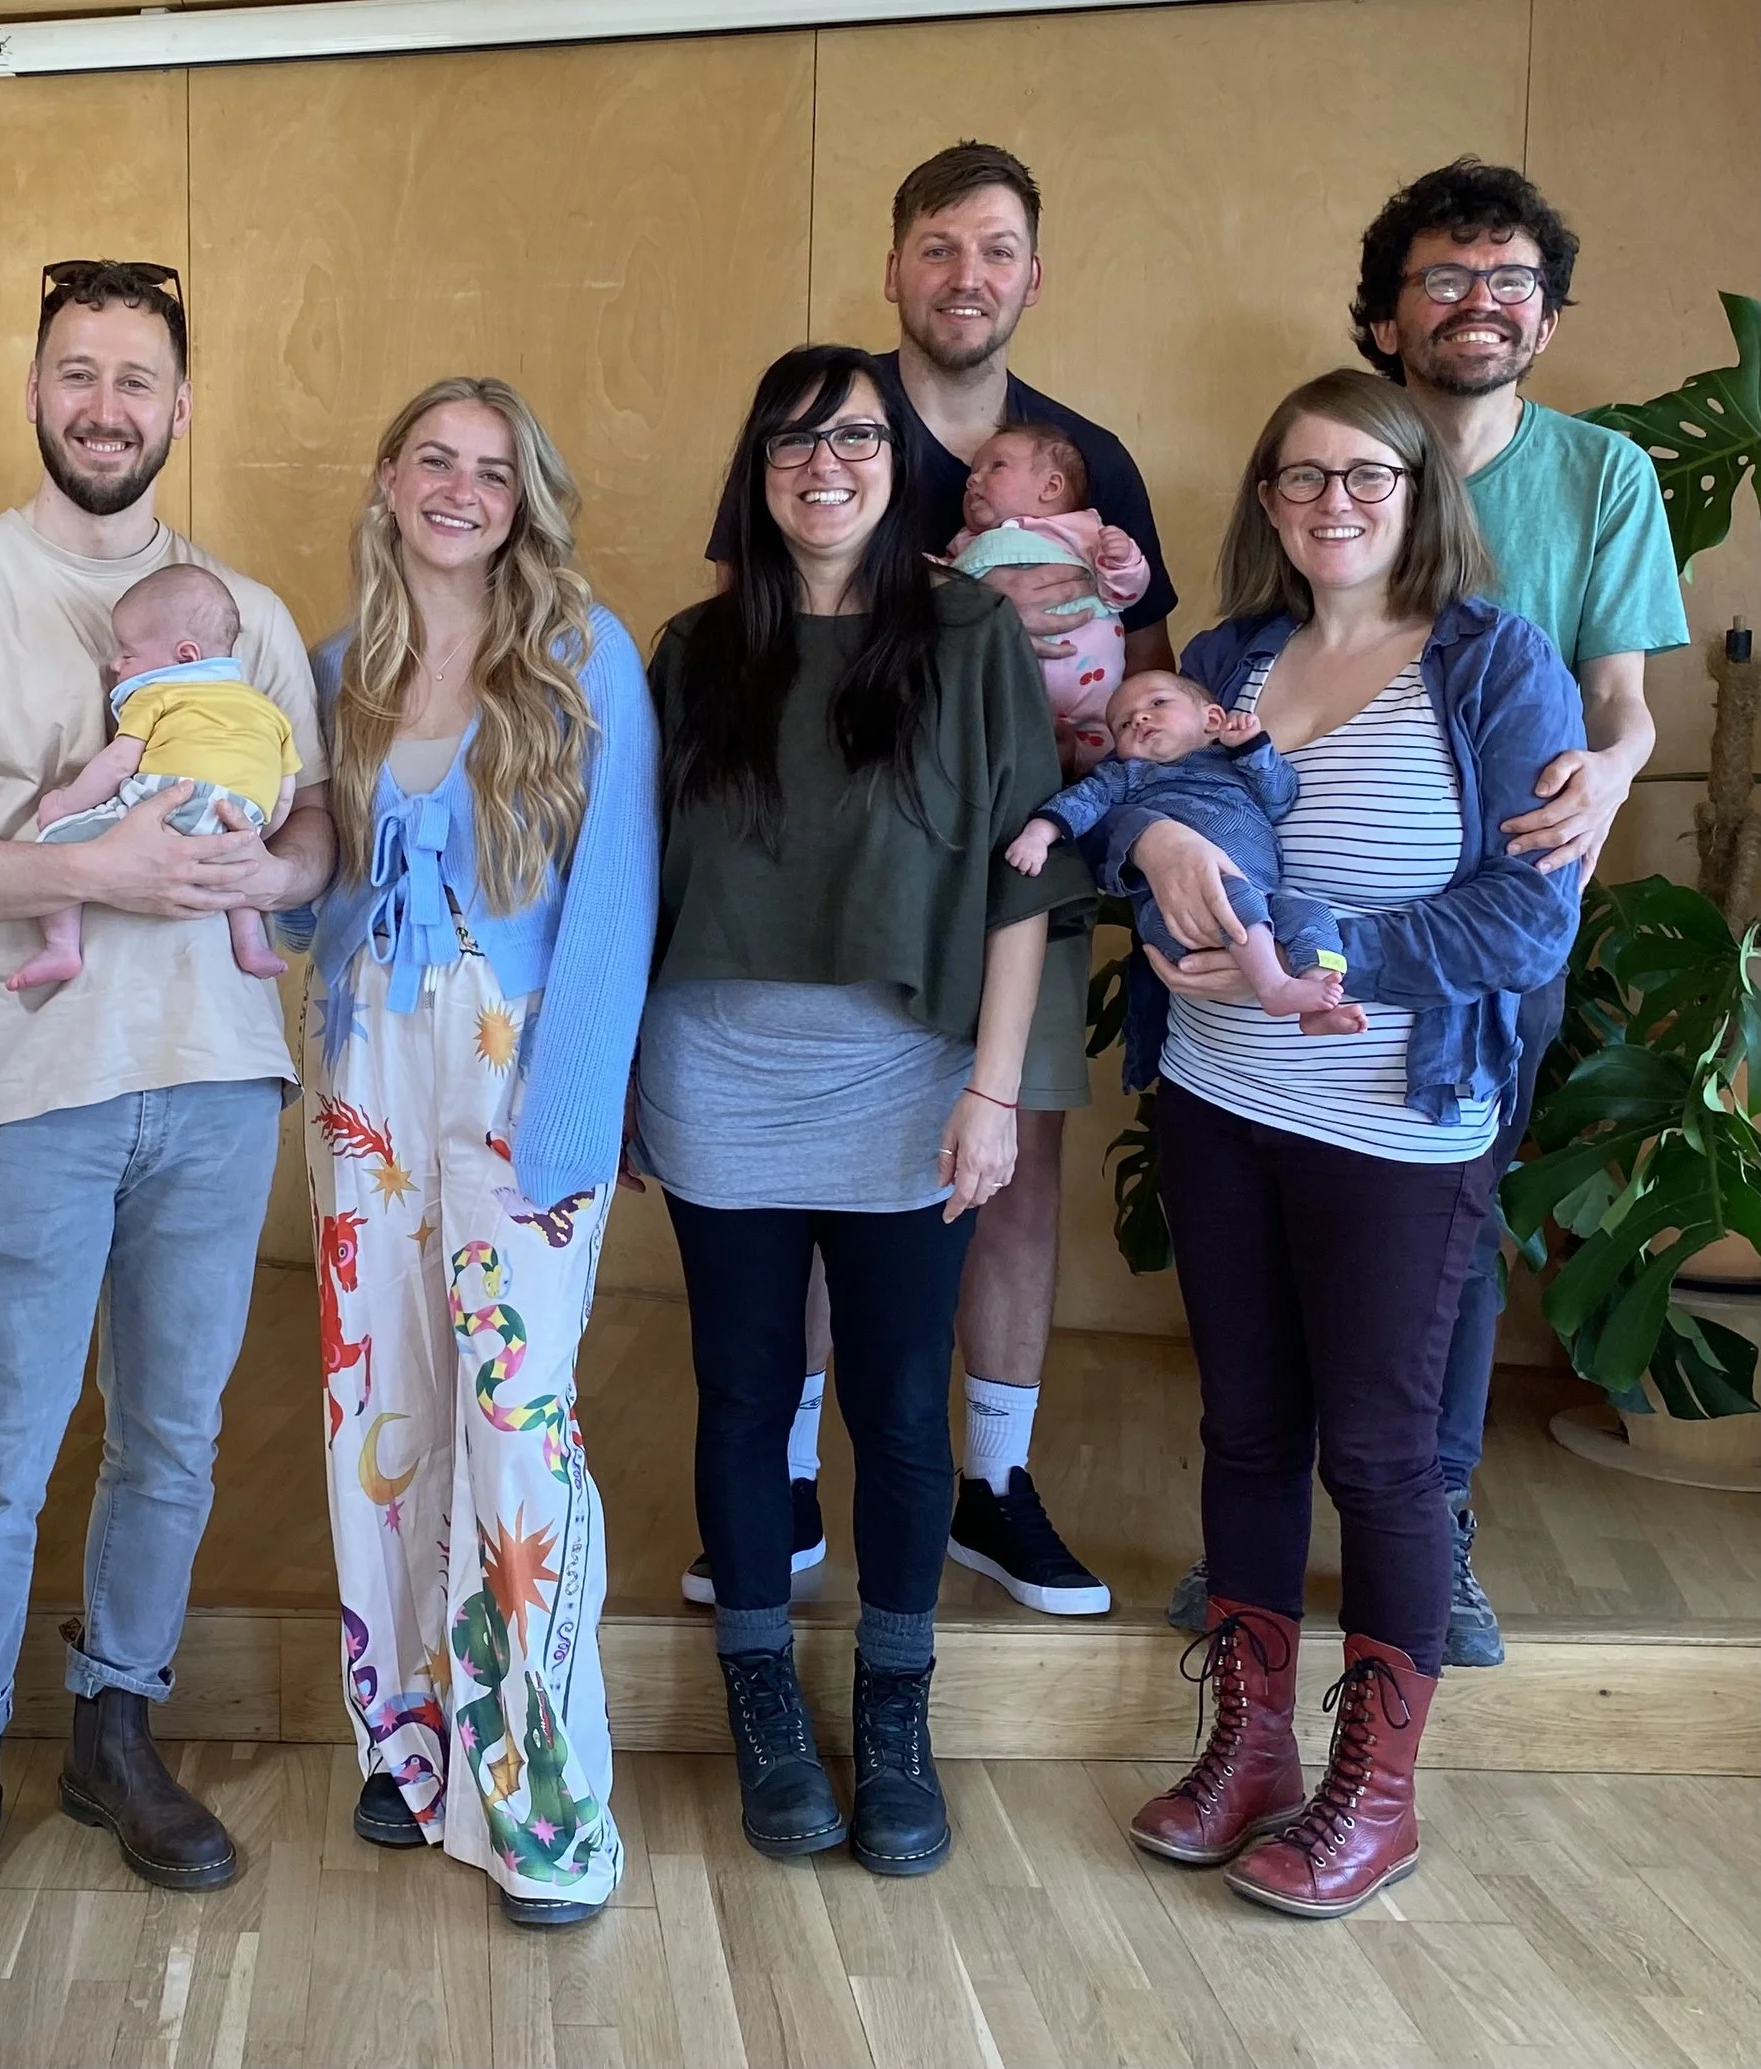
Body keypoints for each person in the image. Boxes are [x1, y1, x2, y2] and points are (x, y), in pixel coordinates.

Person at [0, 259, 333, 1926]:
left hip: (215, 1079)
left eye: (138, 377)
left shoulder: (249, 610)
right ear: (36, 387)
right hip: (30, 1083)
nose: (106, 403)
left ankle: (116, 1724)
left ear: (182, 407)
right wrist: (102, 862)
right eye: (79, 372)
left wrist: (269, 862)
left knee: (174, 1438)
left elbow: (316, 818)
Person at [1164, 160, 1689, 1664]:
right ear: (1388, 317)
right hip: (1247, 1053)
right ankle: (1260, 1639)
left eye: (1513, 280)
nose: (1481, 304)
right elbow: (1192, 771)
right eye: (1447, 278)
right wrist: (1166, 859)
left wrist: (1603, 785)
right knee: (1265, 1380)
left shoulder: (1584, 499)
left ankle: (1427, 1533)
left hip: (1482, 946)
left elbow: (1619, 708)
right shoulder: (1251, 629)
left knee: (1435, 1263)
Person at [1114, 370, 1580, 1920]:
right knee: (1247, 1431)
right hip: (1220, 1101)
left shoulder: (1498, 666)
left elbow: (1528, 918)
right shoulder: (1234, 654)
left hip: (1400, 1126)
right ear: (1266, 501)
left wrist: (1339, 963)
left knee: (1381, 1456)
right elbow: (1147, 815)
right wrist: (1159, 851)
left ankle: (1373, 1797)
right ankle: (1248, 1753)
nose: (1335, 504)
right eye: (1303, 478)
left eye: (1367, 477)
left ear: (1417, 494)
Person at [688, 141, 1173, 1617]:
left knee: (1004, 1182)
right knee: (833, 1182)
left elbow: (1148, 685)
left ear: (1036, 273)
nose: (969, 276)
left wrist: (1077, 790)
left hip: (1019, 866)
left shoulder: (1089, 460)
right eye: (942, 248)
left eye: (999, 250)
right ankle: (779, 1479)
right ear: (896, 266)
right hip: (836, 897)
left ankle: (995, 1486)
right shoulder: (825, 418)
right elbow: (744, 646)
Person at [643, 345, 1092, 1875]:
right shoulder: (694, 652)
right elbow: (627, 886)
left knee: (902, 1407)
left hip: (909, 1080)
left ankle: (894, 1707)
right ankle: (764, 1698)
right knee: (745, 1394)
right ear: (755, 470)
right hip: (716, 1071)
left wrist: (995, 1090)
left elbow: (1022, 878)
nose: (822, 464)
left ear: (896, 464)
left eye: (852, 437)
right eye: (790, 440)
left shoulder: (969, 634)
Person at [302, 376, 656, 1927]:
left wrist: (573, 1111)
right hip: (370, 1064)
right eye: (432, 460)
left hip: (525, 1063)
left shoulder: (585, 655)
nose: (459, 488)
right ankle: (409, 1734)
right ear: (387, 481)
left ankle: (544, 1798)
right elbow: (303, 889)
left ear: (528, 497)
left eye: (493, 469)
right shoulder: (336, 670)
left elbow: (618, 895)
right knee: (377, 1397)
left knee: (518, 1420)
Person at [1007, 673, 1356, 1029]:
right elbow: (1082, 801)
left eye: (1157, 704)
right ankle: (1273, 986)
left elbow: (1281, 796)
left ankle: (1316, 997)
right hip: (1179, 917)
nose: (1139, 719)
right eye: (1124, 724)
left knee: (1310, 914)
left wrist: (1252, 746)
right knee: (1225, 886)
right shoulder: (1127, 775)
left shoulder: (1233, 763)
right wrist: (1038, 834)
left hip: (1262, 899)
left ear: (1213, 720)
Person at [10, 562, 299, 990]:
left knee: (56, 845)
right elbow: (286, 791)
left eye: (127, 653)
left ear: (185, 656)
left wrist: (65, 804)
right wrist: (256, 835)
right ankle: (251, 945)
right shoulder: (269, 711)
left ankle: (61, 947)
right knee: (234, 874)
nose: (115, 664)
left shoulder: (158, 692)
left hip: (172, 799)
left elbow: (119, 764)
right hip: (242, 815)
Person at [947, 424, 1151, 774]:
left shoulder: (1083, 531)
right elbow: (943, 589)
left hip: (1094, 692)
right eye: (972, 472)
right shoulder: (966, 542)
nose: (972, 480)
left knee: (1105, 769)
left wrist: (1122, 560)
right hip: (1008, 697)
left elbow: (1124, 593)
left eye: (995, 467)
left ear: (1051, 487)